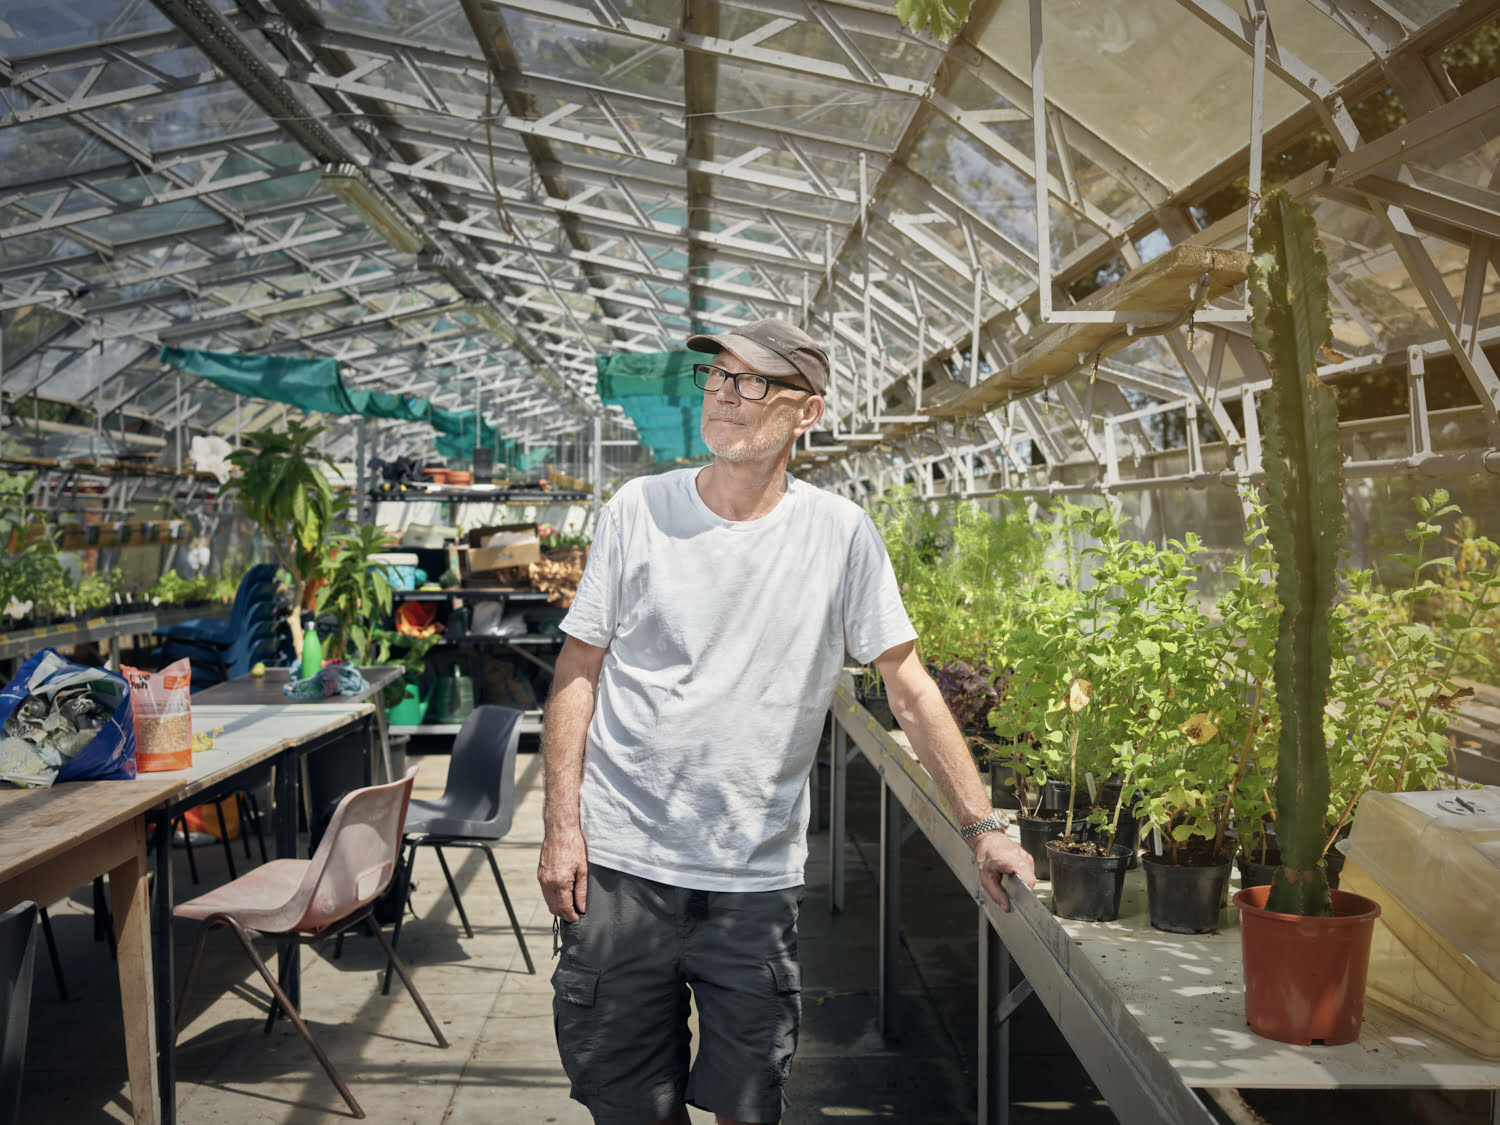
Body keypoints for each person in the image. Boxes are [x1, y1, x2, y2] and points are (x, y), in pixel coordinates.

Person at [538, 317, 1036, 1125]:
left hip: (751, 880)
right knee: (627, 1104)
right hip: (624, 867)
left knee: (749, 1103)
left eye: (754, 382)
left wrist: (982, 825)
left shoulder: (838, 535)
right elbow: (576, 671)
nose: (726, 396)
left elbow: (907, 684)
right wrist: (562, 824)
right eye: (719, 377)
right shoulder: (639, 510)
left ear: (806, 413)